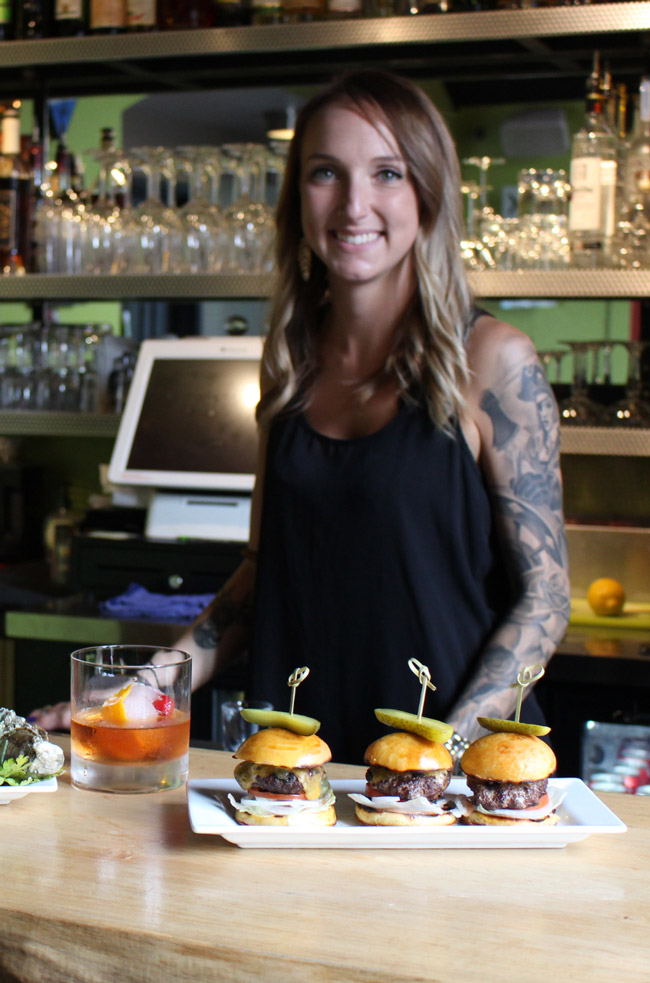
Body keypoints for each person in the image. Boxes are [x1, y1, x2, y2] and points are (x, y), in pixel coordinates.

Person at [31, 70, 570, 766]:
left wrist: (445, 750)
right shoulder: (290, 361)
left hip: (453, 777)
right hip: (297, 763)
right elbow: (260, 576)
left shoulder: (492, 359)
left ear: (428, 192)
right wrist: (142, 694)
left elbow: (546, 598)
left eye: (386, 173)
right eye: (326, 173)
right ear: (298, 199)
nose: (354, 204)